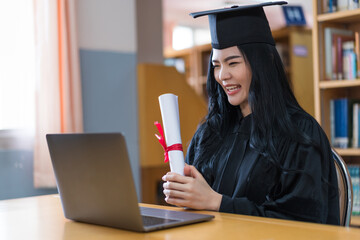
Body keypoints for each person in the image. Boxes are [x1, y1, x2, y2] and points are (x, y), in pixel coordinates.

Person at [162, 1, 340, 225]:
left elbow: (302, 223)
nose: (222, 75)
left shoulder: (300, 135)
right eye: (216, 65)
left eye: (233, 63)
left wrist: (217, 202)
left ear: (262, 63)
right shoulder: (210, 132)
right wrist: (182, 192)